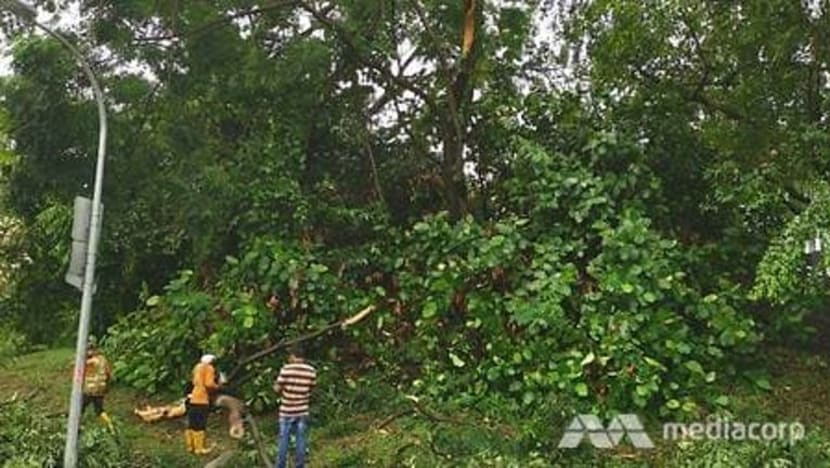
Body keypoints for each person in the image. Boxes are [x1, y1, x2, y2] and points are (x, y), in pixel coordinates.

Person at [273, 344, 317, 468]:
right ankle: (300, 465)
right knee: (301, 439)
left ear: (293, 356)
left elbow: (277, 389)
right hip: (302, 410)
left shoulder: (286, 369)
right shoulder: (311, 371)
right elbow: (312, 388)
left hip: (286, 410)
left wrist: (277, 386)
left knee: (284, 440)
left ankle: (280, 465)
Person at [185, 353, 219, 455]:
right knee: (200, 424)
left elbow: (193, 381)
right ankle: (199, 448)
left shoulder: (197, 367)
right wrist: (217, 387)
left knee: (192, 423)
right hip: (202, 399)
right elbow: (209, 384)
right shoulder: (209, 368)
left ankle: (190, 447)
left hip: (193, 397)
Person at [82, 340, 113, 430]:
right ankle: (110, 425)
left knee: (80, 406)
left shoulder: (90, 361)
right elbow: (109, 374)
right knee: (99, 410)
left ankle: (76, 424)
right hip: (101, 388)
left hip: (91, 389)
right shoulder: (103, 359)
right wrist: (106, 387)